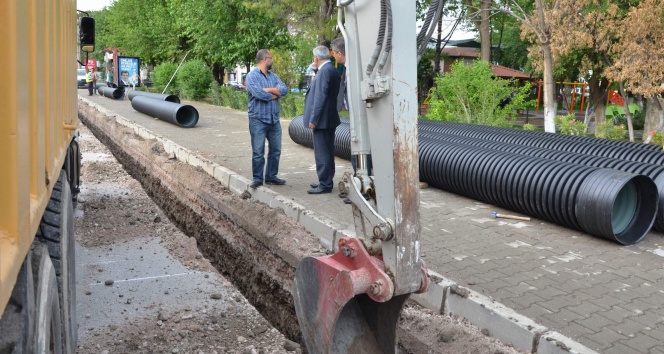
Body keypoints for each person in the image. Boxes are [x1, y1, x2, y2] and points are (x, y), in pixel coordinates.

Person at [330, 37, 372, 203]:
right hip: (356, 115)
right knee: (356, 151)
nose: (334, 57)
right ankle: (357, 186)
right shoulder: (349, 68)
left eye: (334, 54)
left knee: (360, 153)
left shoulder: (354, 69)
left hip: (361, 117)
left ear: (340, 53)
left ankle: (362, 192)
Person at [245, 49, 288, 189]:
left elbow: (284, 89)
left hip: (274, 119)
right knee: (258, 151)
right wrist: (274, 91)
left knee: (276, 150)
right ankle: (257, 178)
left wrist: (268, 90)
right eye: (271, 58)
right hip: (258, 119)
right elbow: (259, 94)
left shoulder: (273, 76)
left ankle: (271, 176)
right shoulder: (252, 76)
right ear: (265, 59)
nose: (272, 60)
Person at [304, 46, 341, 194]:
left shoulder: (324, 71)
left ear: (316, 58)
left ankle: (325, 184)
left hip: (322, 120)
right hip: (329, 118)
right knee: (327, 151)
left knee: (322, 152)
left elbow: (320, 97)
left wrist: (313, 119)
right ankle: (325, 180)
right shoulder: (331, 69)